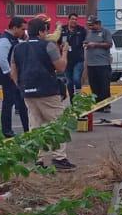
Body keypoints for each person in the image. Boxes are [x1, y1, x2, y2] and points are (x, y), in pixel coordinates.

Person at [9, 16, 75, 171]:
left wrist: (21, 86)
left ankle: (37, 159)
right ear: (40, 32)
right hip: (48, 91)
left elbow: (13, 71)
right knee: (57, 124)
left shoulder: (17, 48)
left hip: (27, 92)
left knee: (35, 125)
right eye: (46, 30)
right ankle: (59, 158)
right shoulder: (49, 46)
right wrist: (64, 52)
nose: (47, 33)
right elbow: (61, 67)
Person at [0, 16, 30, 138]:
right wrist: (10, 74)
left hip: (14, 76)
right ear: (14, 28)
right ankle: (7, 130)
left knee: (21, 103)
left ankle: (27, 128)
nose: (23, 32)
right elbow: (2, 59)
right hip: (8, 76)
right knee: (9, 102)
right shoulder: (4, 40)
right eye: (22, 29)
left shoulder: (14, 39)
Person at [83, 16, 115, 102]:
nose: (90, 27)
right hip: (91, 64)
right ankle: (98, 105)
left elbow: (109, 44)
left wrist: (95, 44)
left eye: (92, 25)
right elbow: (86, 41)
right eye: (89, 25)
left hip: (103, 64)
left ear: (98, 24)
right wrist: (86, 44)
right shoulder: (89, 33)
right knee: (94, 86)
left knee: (104, 86)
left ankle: (106, 104)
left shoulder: (105, 32)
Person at [61, 14, 87, 99]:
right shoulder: (62, 29)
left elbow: (86, 41)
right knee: (69, 82)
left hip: (78, 59)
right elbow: (57, 42)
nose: (74, 21)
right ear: (68, 20)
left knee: (76, 79)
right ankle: (73, 101)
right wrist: (60, 47)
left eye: (76, 19)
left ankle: (79, 98)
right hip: (66, 60)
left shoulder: (81, 30)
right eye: (72, 19)